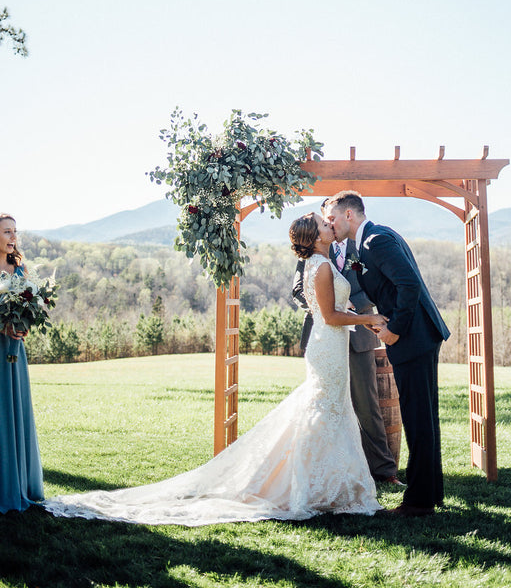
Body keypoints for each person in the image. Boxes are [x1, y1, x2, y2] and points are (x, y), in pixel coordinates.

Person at [43, 213, 383, 524]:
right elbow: (329, 316)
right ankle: (315, 487)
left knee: (329, 410)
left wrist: (357, 316)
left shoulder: (320, 264)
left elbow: (335, 310)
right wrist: (367, 318)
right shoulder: (321, 267)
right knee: (324, 411)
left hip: (332, 345)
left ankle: (328, 485)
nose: (329, 225)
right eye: (324, 224)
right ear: (316, 236)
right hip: (328, 345)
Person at [325, 191, 450, 518]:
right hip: (419, 335)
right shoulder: (369, 241)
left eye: (333, 219)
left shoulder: (375, 241)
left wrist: (395, 329)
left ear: (349, 215)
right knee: (424, 417)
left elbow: (409, 285)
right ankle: (430, 493)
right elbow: (374, 280)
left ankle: (419, 503)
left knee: (417, 418)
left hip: (413, 336)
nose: (330, 224)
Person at [292, 204, 401, 485]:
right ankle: (323, 472)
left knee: (368, 406)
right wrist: (331, 304)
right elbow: (300, 291)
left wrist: (356, 308)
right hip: (327, 336)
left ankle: (384, 470)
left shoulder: (358, 245)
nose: (330, 224)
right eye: (325, 221)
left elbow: (373, 283)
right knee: (325, 405)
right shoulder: (312, 258)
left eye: (332, 219)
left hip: (358, 337)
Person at [0, 213, 44, 514]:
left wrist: (23, 325)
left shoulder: (20, 267)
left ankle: (20, 483)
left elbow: (28, 304)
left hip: (15, 346)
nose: (12, 236)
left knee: (16, 407)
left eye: (14, 231)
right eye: (6, 231)